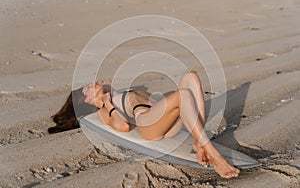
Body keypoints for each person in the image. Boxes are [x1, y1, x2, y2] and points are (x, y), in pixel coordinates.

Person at [50, 72, 240, 178]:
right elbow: (122, 127)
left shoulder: (118, 92)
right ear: (89, 100)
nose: (92, 83)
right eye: (88, 88)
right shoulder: (103, 110)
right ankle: (211, 151)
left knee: (191, 77)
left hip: (164, 121)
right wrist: (106, 103)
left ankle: (199, 144)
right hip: (149, 126)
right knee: (183, 95)